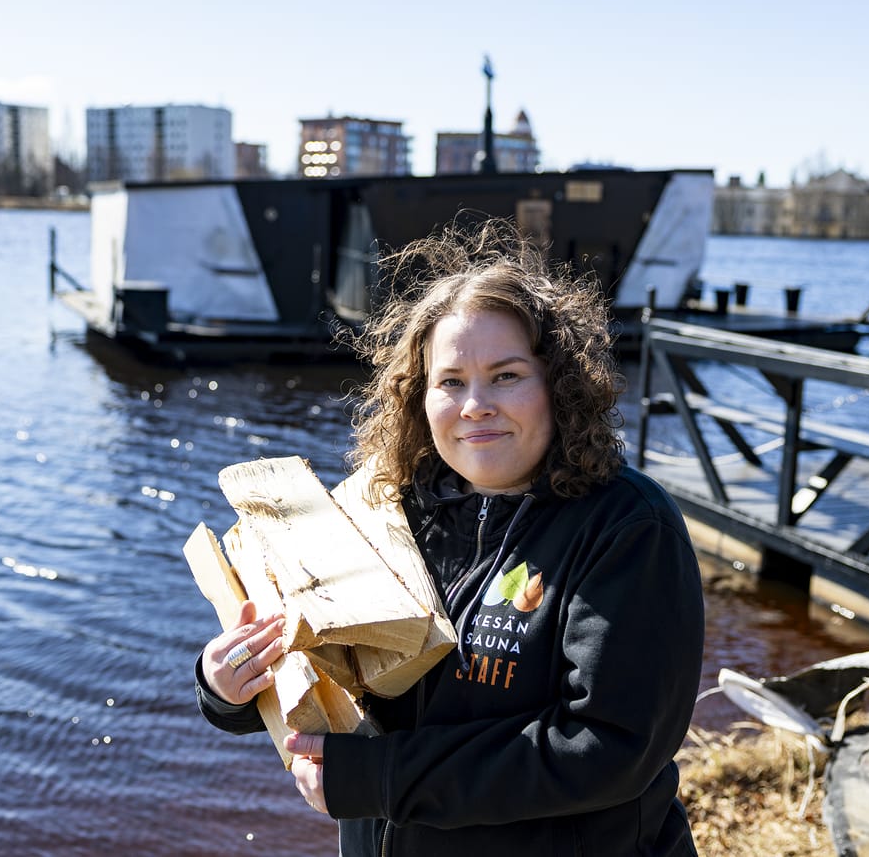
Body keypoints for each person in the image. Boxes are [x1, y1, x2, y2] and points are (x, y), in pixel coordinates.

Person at [196, 218, 705, 855]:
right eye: (451, 382)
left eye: (508, 375)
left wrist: (382, 780)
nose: (475, 406)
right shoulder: (385, 509)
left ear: (559, 383)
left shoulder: (627, 527)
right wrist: (231, 688)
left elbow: (608, 747)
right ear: (419, 394)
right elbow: (332, 670)